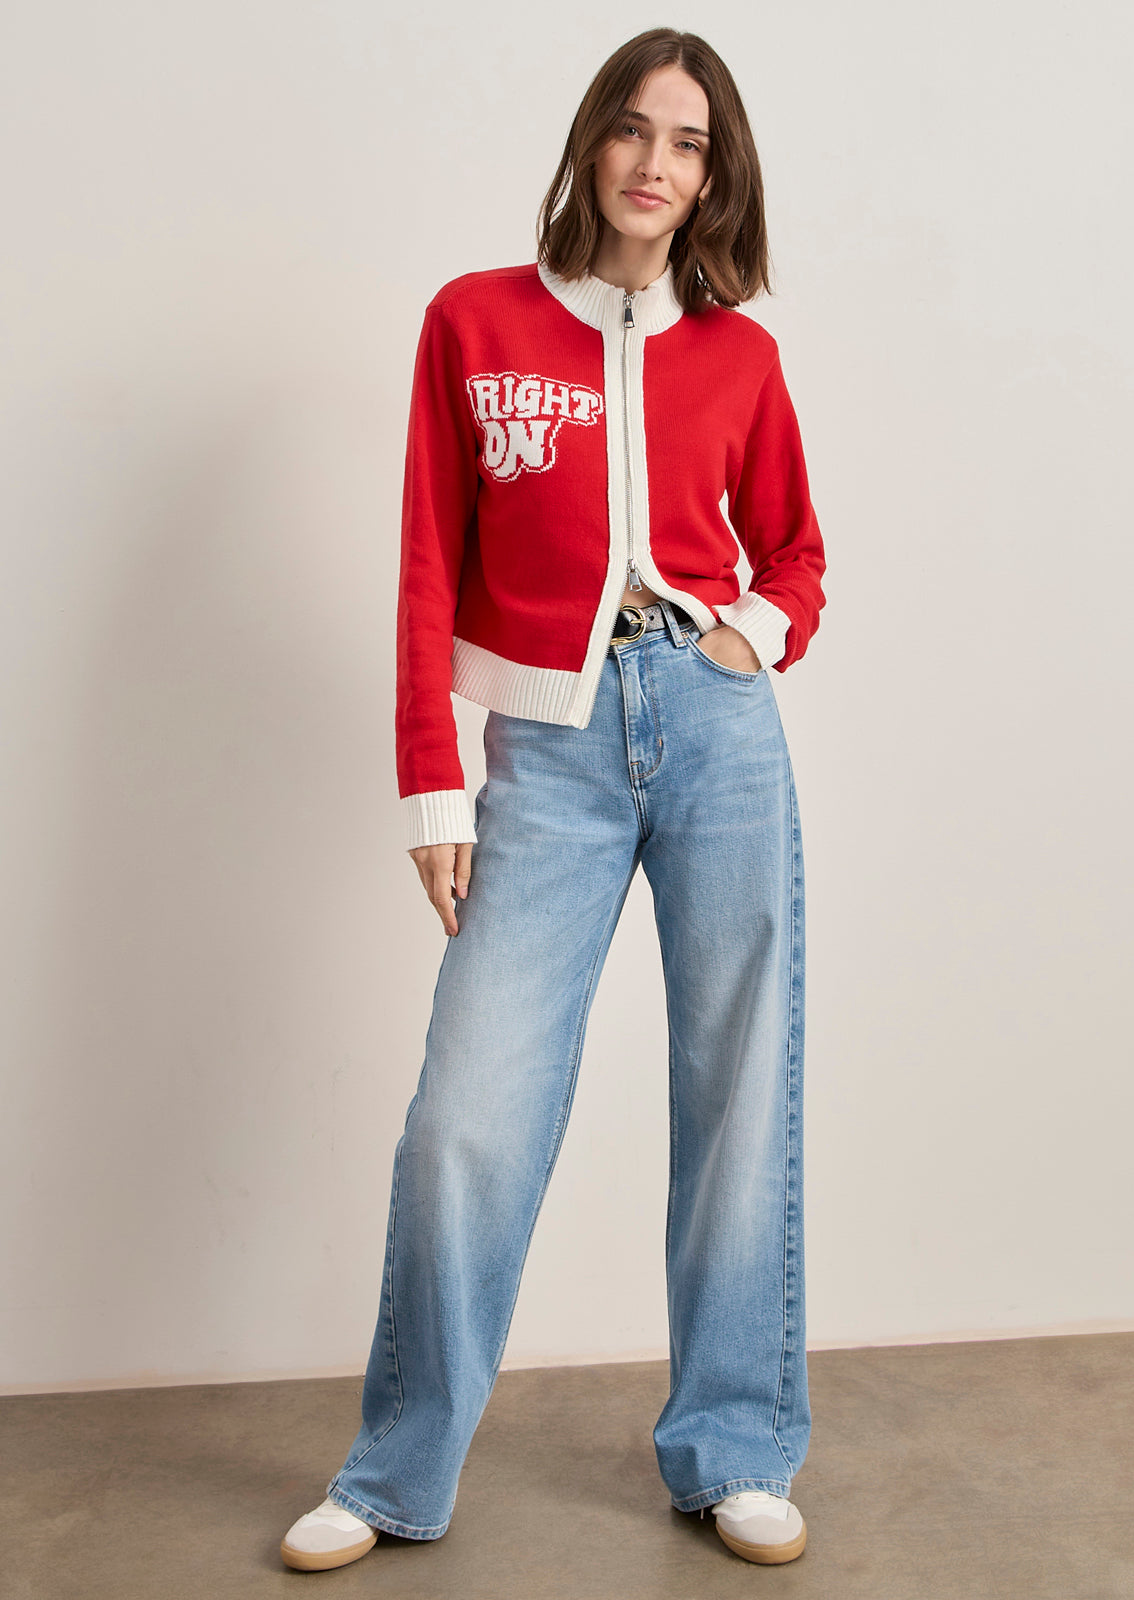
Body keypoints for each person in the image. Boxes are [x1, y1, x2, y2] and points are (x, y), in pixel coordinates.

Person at [281, 25, 827, 1573]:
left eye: (691, 143)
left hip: (717, 731)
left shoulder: (741, 356)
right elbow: (426, 559)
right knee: (471, 1110)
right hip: (547, 751)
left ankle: (735, 1446)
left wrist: (745, 636)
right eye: (636, 129)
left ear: (714, 178)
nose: (658, 163)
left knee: (741, 1095)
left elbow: (796, 550)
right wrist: (431, 785)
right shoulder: (476, 321)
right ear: (593, 141)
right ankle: (395, 1472)